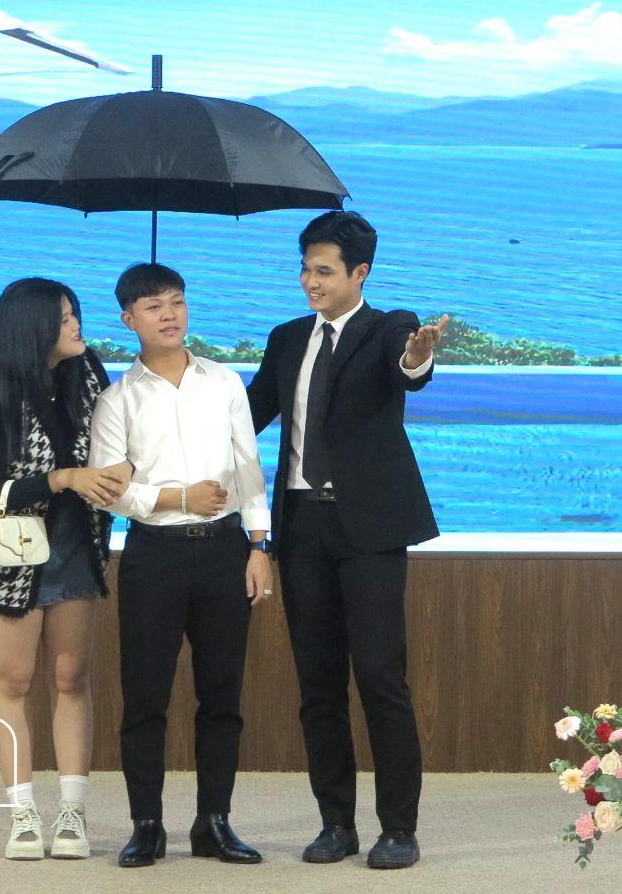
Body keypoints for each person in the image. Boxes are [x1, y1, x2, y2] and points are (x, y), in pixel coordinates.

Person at [246, 211, 449, 870]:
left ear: (359, 273)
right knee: (318, 685)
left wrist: (418, 355)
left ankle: (399, 829)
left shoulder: (390, 327)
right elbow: (246, 416)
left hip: (369, 530)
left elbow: (408, 368)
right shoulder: (285, 339)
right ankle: (336, 823)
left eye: (325, 271)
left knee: (382, 679)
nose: (310, 282)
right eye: (305, 269)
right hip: (303, 527)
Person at [88, 262, 274, 868]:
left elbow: (248, 466)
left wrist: (259, 545)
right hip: (154, 556)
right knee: (145, 697)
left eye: (177, 301)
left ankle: (214, 822)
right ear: (128, 320)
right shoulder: (116, 399)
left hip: (225, 551)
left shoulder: (224, 382)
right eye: (153, 306)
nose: (169, 314)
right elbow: (110, 490)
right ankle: (146, 826)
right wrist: (175, 498)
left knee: (222, 695)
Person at [0, 277, 131, 861]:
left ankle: (72, 813)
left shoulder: (88, 374)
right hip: (10, 556)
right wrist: (63, 478)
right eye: (63, 319)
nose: (76, 325)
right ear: (32, 329)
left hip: (75, 547)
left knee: (71, 679)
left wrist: (121, 472)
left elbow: (118, 445)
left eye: (74, 313)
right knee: (13, 682)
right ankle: (23, 814)